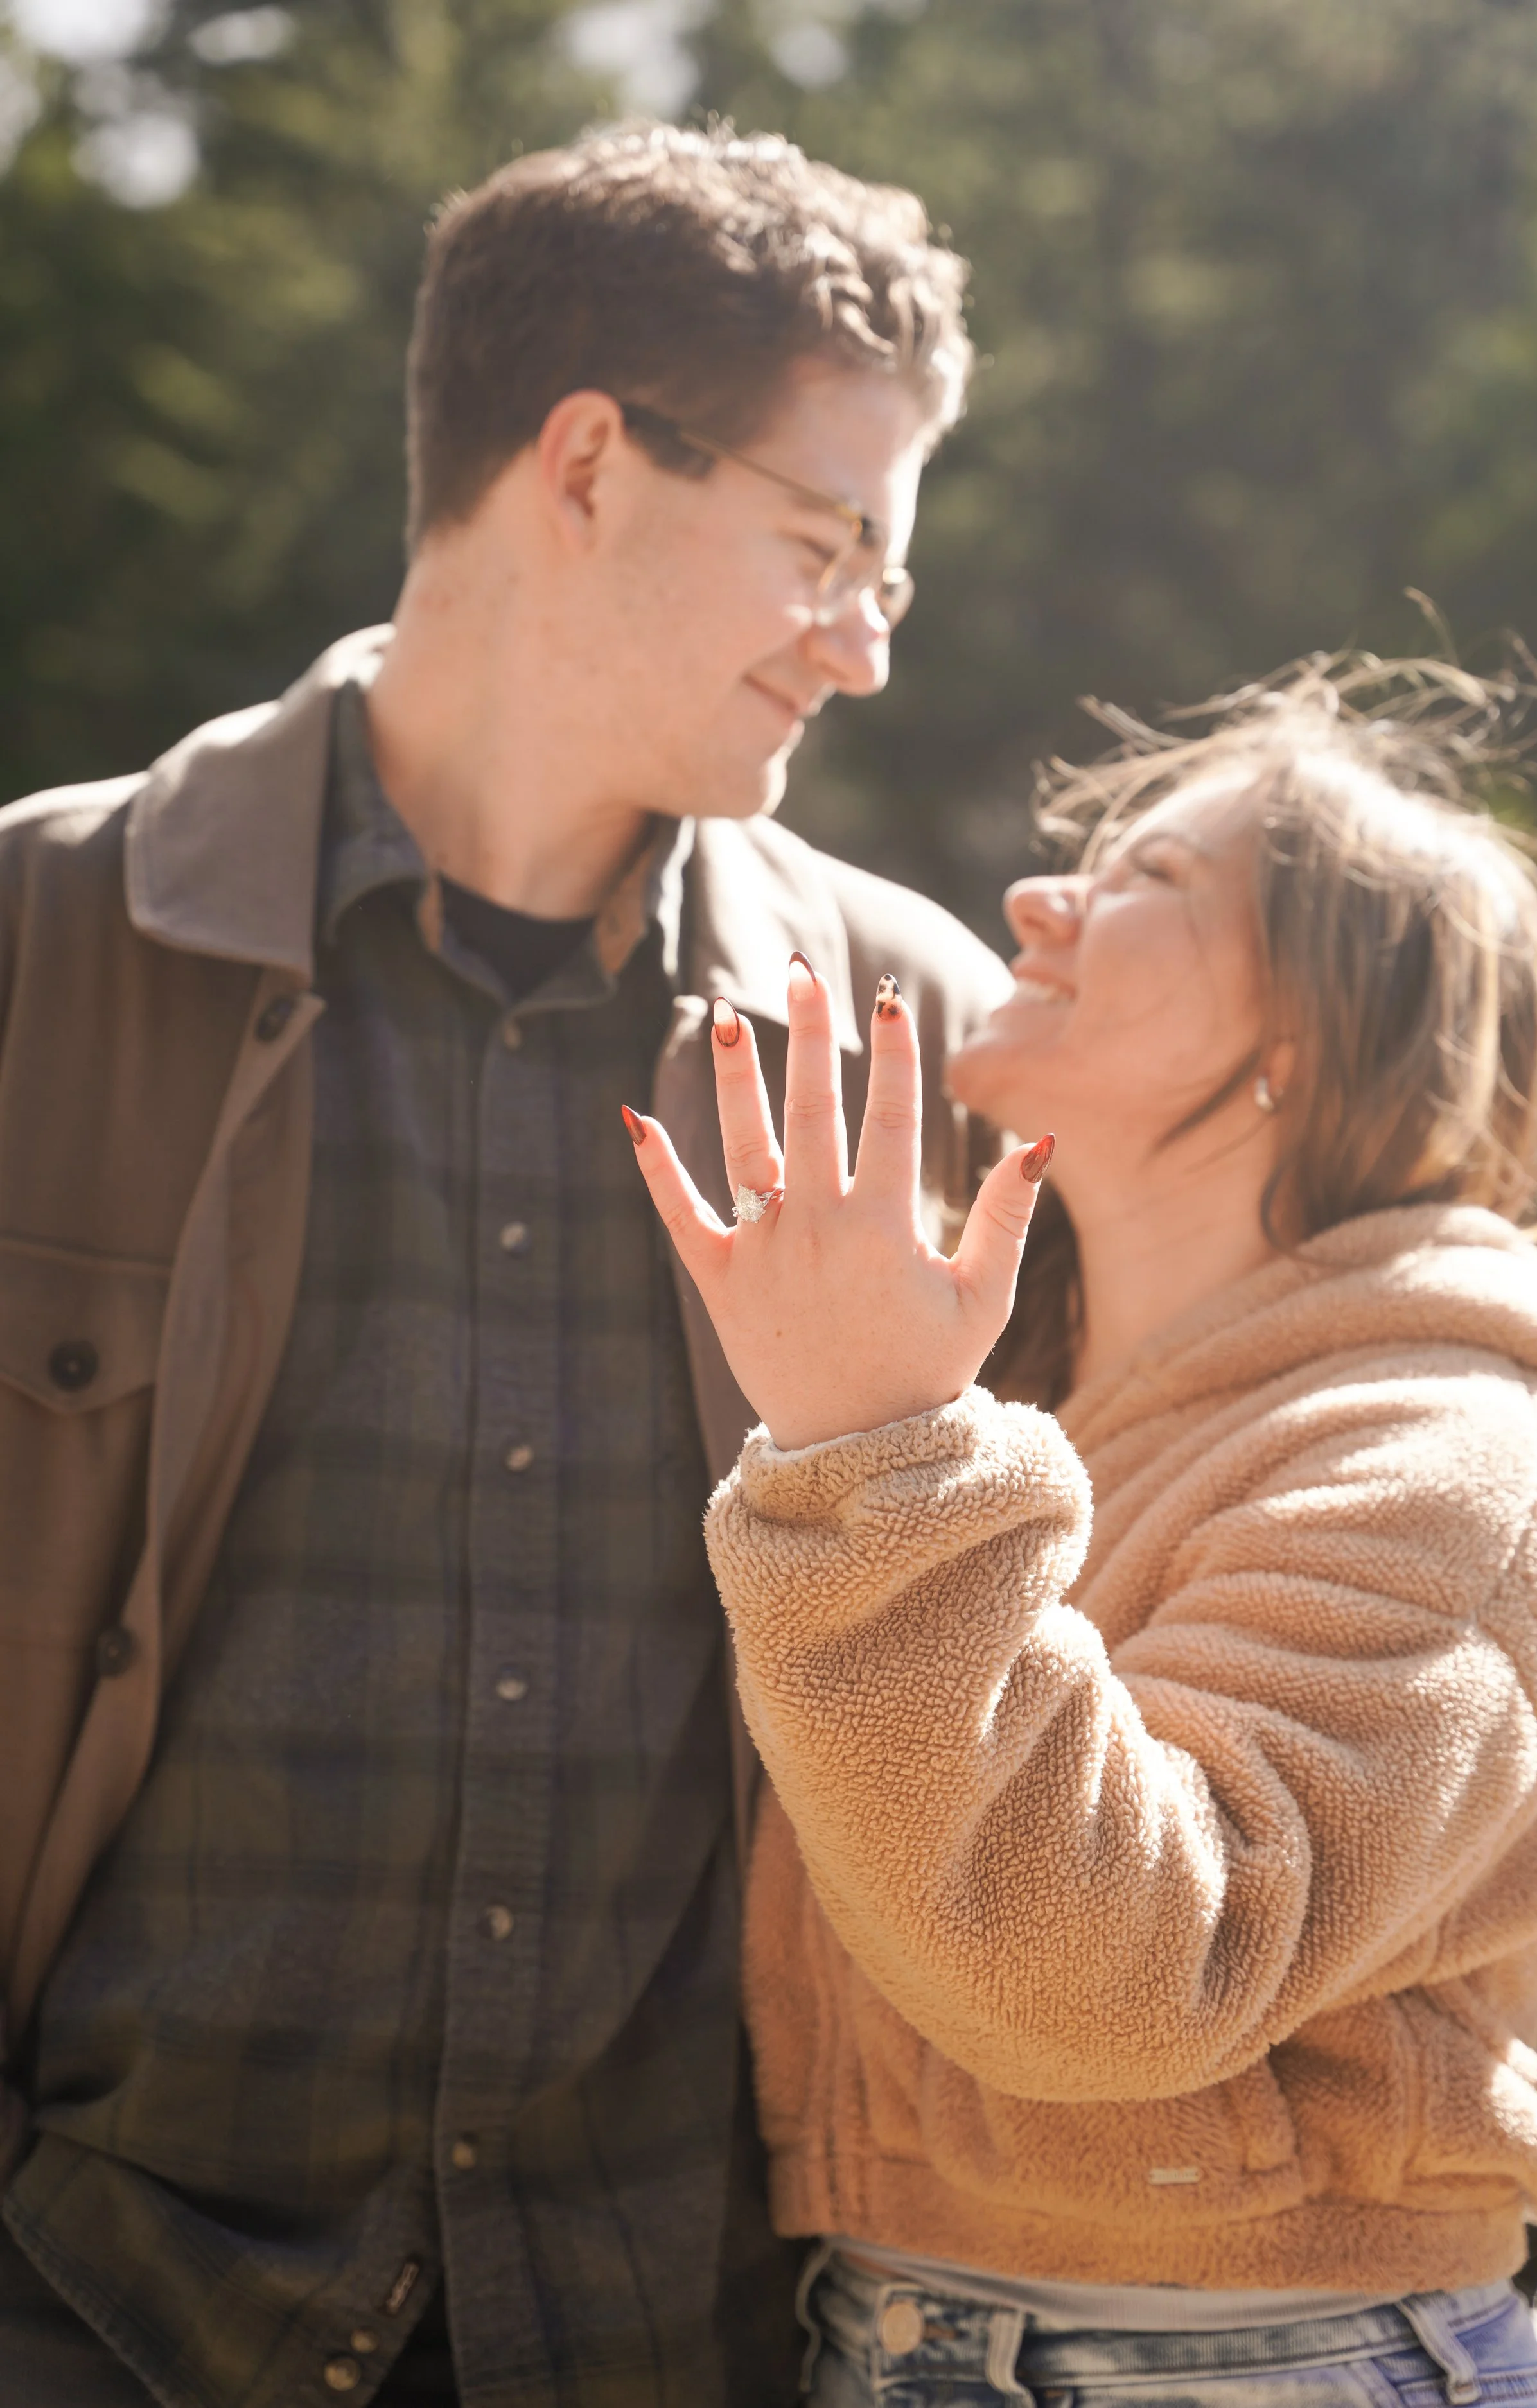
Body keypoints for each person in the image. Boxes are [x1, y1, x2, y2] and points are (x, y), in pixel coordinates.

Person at [0, 123, 1014, 2407]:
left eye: (892, 576)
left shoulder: (917, 1037)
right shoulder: (31, 951)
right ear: (582, 461)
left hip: (681, 2341)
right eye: (827, 542)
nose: (863, 643)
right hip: (86, 2319)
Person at [628, 659, 1537, 2404]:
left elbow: (1117, 1981)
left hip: (1251, 2365)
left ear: (1308, 1029)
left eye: (1149, 876)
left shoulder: (1461, 1453)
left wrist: (874, 1442)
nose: (1031, 895)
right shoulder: (1037, 1384)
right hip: (904, 2329)